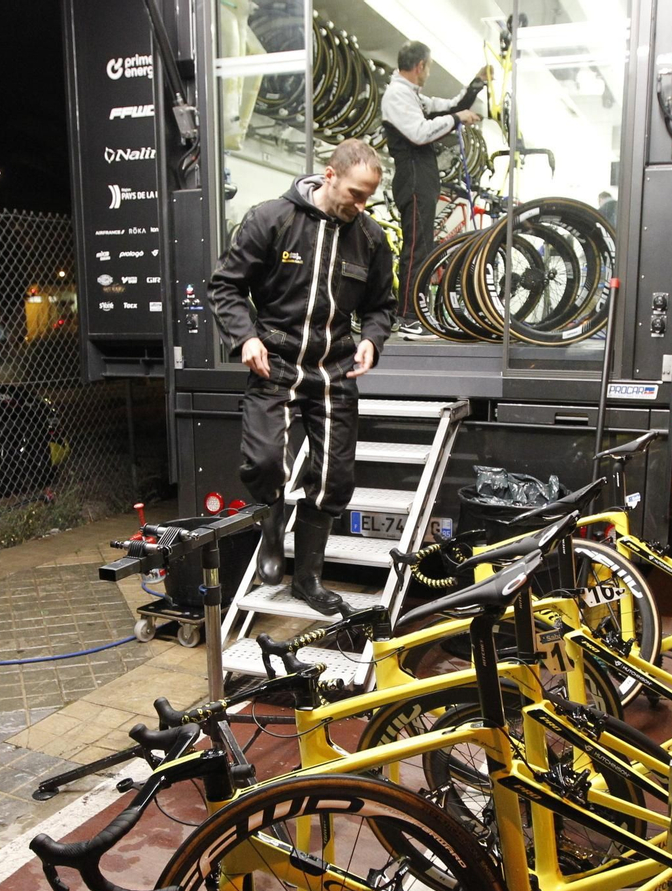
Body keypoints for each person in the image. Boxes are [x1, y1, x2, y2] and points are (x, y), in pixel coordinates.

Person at [208, 139, 395, 617]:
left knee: (335, 478)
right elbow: (226, 286)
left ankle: (307, 578)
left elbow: (380, 306)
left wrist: (373, 338)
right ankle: (272, 526)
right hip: (276, 362)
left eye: (369, 196)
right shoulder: (272, 219)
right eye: (356, 193)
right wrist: (245, 338)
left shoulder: (371, 238)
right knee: (266, 461)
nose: (362, 204)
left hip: (335, 370)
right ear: (329, 176)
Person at [381, 41, 489, 338]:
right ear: (420, 67)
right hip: (413, 175)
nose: (428, 72)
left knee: (424, 248)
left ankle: (414, 313)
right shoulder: (397, 96)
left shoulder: (412, 95)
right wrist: (456, 119)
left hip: (422, 177)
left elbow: (450, 106)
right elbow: (418, 133)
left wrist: (475, 85)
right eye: (429, 67)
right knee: (416, 249)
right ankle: (408, 317)